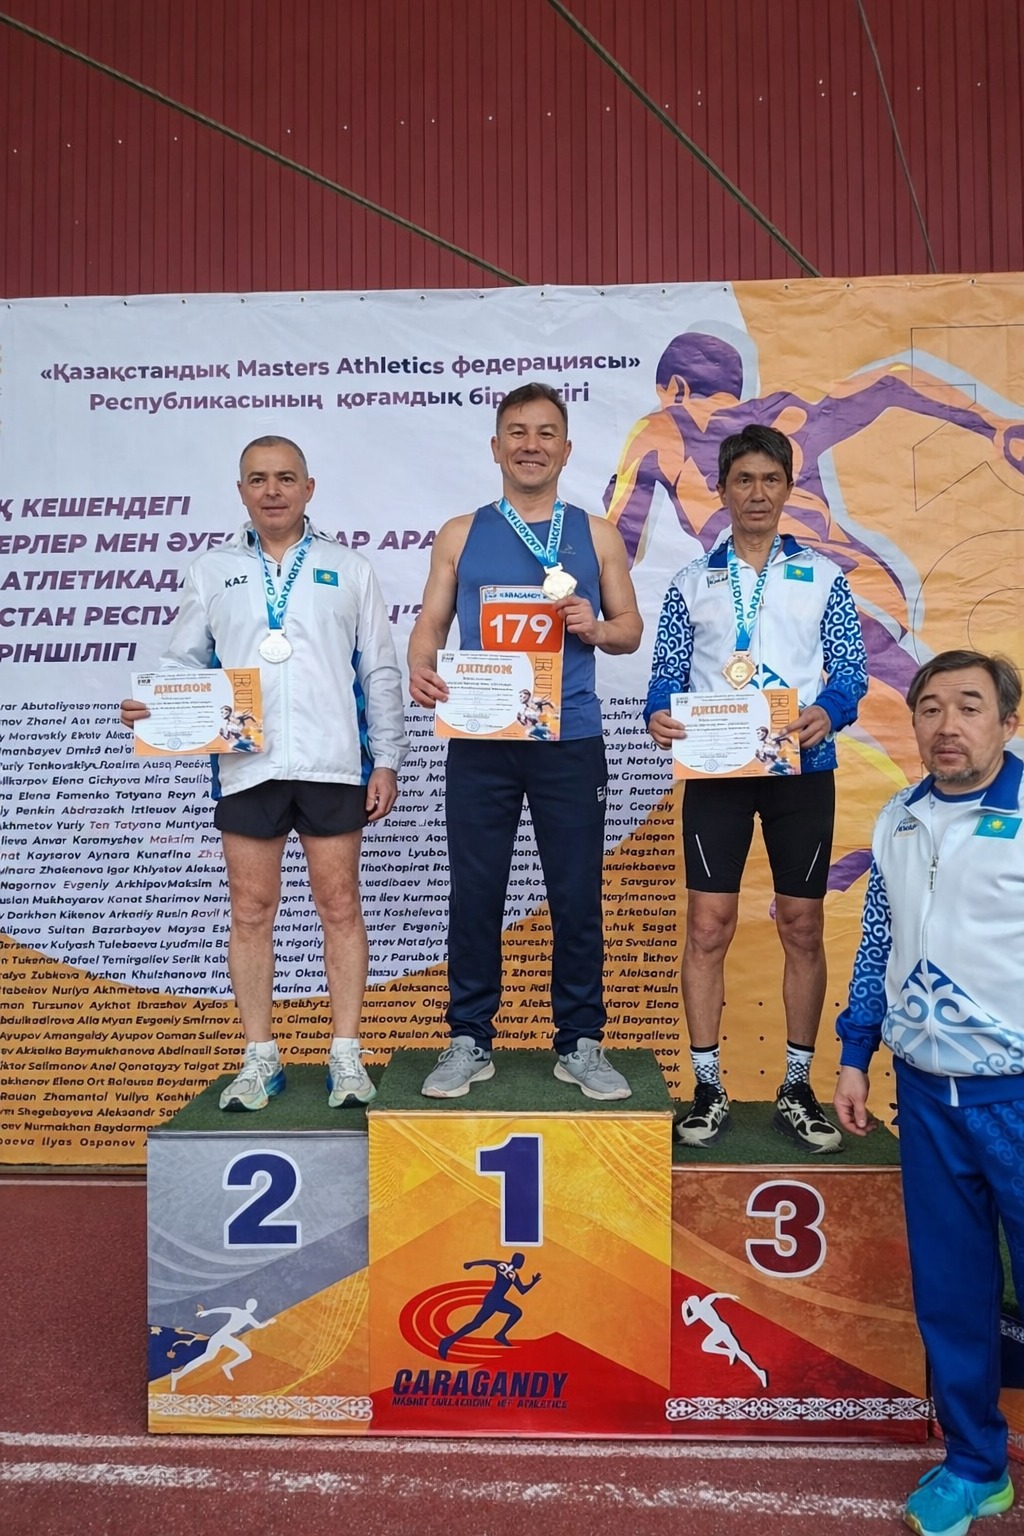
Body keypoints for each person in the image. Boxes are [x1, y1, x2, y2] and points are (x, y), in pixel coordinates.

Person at [121, 435, 407, 1112]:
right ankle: (260, 1058)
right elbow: (184, 661)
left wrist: (388, 758)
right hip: (247, 764)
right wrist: (160, 704)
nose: (272, 490)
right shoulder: (212, 569)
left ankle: (346, 1056)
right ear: (242, 491)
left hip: (333, 762)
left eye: (284, 477)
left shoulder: (348, 568)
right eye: (258, 479)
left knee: (340, 907)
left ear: (309, 488)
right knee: (250, 910)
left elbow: (379, 670)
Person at [407, 382, 642, 1100]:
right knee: (476, 891)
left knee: (576, 895)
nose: (530, 445)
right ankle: (469, 1039)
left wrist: (596, 628)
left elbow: (630, 630)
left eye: (545, 434)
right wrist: (420, 665)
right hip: (483, 738)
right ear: (495, 446)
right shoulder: (459, 533)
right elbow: (430, 624)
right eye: (517, 432)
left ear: (566, 450)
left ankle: (580, 1043)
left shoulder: (597, 534)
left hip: (571, 740)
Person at [835, 650, 1023, 1536]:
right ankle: (976, 1466)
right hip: (927, 1096)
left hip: (1017, 1097)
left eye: (971, 707)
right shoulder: (899, 817)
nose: (948, 726)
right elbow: (879, 941)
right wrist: (855, 1051)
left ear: (1008, 723)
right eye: (931, 707)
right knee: (951, 1291)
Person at [646, 423, 867, 1150]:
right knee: (708, 925)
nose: (758, 493)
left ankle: (796, 1087)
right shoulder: (691, 581)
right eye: (744, 479)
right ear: (722, 489)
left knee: (801, 925)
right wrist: (657, 714)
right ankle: (706, 1087)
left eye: (771, 479)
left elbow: (851, 671)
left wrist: (830, 711)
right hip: (717, 772)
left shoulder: (824, 576)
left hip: (800, 767)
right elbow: (666, 674)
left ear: (789, 488)